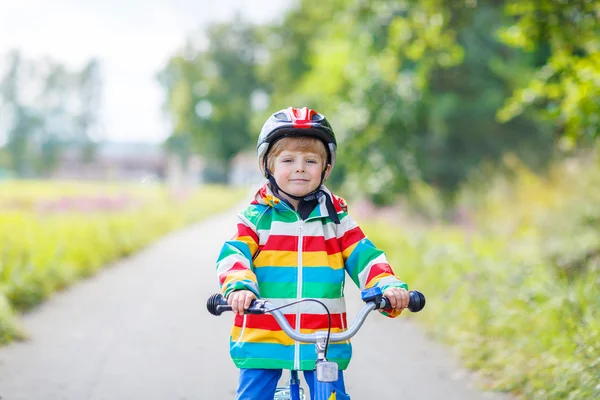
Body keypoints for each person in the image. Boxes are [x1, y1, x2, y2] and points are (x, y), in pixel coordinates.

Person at [216, 107, 410, 400]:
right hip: (263, 335)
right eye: (288, 160)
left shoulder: (337, 220)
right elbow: (234, 255)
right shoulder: (256, 218)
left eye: (310, 160)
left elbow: (365, 257)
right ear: (267, 166)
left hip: (323, 339)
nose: (300, 168)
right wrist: (239, 288)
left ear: (326, 168)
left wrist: (387, 286)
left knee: (331, 397)